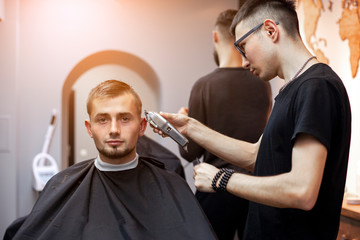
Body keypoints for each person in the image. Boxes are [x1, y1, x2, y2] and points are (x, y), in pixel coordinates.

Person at [152, 1, 351, 239]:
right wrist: (191, 127)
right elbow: (257, 157)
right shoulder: (292, 89)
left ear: (270, 30)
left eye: (243, 47)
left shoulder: (316, 87)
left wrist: (221, 179)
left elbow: (302, 190)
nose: (244, 62)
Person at [4, 80, 216, 240]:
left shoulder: (172, 186)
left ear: (142, 126)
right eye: (103, 120)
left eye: (124, 119)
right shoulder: (60, 184)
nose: (114, 130)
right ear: (89, 128)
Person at [178, 9, 272, 240]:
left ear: (215, 37)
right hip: (254, 189)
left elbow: (191, 152)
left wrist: (183, 128)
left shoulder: (204, 86)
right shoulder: (262, 84)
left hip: (216, 188)